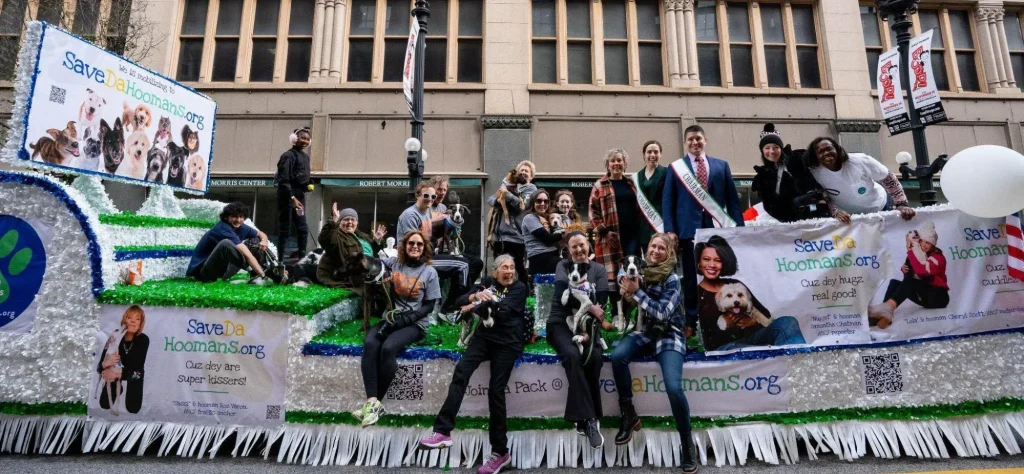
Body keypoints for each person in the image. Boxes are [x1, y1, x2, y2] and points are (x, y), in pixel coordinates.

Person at [417, 255, 528, 474]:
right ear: (495, 271)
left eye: (512, 267)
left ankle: (500, 453)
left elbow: (503, 311)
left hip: (508, 342)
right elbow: (460, 300)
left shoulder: (519, 288)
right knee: (461, 372)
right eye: (504, 267)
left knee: (496, 390)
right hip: (484, 338)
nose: (509, 272)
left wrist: (477, 305)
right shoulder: (487, 283)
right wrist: (476, 295)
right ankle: (443, 432)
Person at [612, 233, 697, 473]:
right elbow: (630, 304)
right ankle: (628, 414)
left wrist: (637, 292)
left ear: (669, 253)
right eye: (653, 246)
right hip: (647, 332)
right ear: (646, 250)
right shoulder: (640, 273)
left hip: (669, 334)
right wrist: (626, 293)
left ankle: (686, 442)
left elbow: (661, 313)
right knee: (618, 357)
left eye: (661, 248)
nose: (656, 251)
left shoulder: (672, 279)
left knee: (673, 387)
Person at [354, 230, 441, 427]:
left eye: (419, 244)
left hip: (414, 324)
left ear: (424, 248)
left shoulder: (429, 272)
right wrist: (373, 246)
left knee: (388, 348)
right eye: (411, 243)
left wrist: (407, 319)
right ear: (405, 245)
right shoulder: (393, 264)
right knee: (370, 343)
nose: (415, 247)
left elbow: (429, 305)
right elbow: (372, 264)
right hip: (390, 318)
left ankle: (375, 405)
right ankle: (372, 403)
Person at [663, 125, 744, 326]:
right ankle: (691, 321)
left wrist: (740, 229)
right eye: (690, 139)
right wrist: (670, 231)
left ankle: (716, 318)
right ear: (685, 143)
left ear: (705, 140)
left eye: (698, 138)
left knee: (718, 274)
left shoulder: (721, 165)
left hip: (717, 230)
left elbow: (732, 201)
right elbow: (668, 202)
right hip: (688, 230)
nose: (694, 142)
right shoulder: (676, 168)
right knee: (691, 277)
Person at [546, 232, 609, 449]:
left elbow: (602, 301)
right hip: (560, 323)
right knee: (573, 356)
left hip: (589, 325)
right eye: (574, 247)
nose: (578, 250)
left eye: (581, 245)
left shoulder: (598, 269)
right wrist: (590, 305)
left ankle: (583, 420)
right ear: (568, 250)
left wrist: (591, 322)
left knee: (595, 358)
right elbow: (562, 296)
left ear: (588, 245)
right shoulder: (563, 266)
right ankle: (592, 420)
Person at [694, 236, 805, 352]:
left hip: (753, 338)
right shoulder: (696, 293)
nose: (712, 264)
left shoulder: (735, 284)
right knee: (754, 351)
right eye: (706, 259)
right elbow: (699, 336)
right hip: (725, 347)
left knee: (788, 322)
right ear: (699, 263)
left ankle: (799, 363)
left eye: (718, 260)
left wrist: (754, 321)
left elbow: (765, 314)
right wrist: (725, 325)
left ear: (724, 263)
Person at [803, 137, 916, 224]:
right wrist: (835, 212)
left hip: (882, 207)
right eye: (820, 151)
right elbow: (823, 196)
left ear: (837, 149)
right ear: (815, 155)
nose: (826, 153)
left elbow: (888, 178)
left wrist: (901, 203)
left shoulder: (860, 160)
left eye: (829, 148)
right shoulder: (815, 173)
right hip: (849, 219)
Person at [398, 182, 471, 311]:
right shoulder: (410, 215)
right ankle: (452, 309)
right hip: (416, 260)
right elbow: (412, 248)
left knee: (475, 262)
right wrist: (431, 252)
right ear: (417, 195)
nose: (431, 199)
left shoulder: (426, 212)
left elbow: (438, 220)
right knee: (463, 265)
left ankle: (451, 304)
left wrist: (452, 219)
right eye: (426, 195)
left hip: (428, 254)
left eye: (433, 196)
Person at [590, 149, 642, 330]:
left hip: (631, 237)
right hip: (609, 241)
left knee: (631, 278)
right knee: (612, 279)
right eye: (613, 161)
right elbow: (592, 213)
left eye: (620, 160)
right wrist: (604, 232)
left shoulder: (632, 184)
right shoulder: (599, 185)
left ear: (625, 164)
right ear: (608, 165)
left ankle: (628, 316)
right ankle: (615, 315)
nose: (617, 163)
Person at [869, 222, 949, 328]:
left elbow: (921, 272)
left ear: (933, 245)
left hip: (939, 297)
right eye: (921, 241)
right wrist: (905, 270)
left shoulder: (938, 258)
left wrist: (910, 251)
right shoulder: (920, 254)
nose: (923, 245)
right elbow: (909, 278)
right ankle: (885, 315)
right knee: (894, 283)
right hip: (925, 296)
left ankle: (886, 308)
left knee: (912, 281)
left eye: (928, 243)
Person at [751, 124, 829, 222]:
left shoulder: (798, 159)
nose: (772, 151)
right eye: (767, 148)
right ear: (762, 151)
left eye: (776, 147)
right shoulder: (763, 177)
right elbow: (772, 208)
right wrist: (797, 202)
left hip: (818, 214)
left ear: (781, 148)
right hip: (791, 223)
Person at [429, 175, 484, 300]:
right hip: (431, 252)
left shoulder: (444, 208)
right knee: (462, 264)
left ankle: (460, 298)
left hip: (446, 250)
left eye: (444, 190)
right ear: (432, 189)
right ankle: (456, 304)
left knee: (477, 263)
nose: (442, 193)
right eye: (439, 189)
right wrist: (437, 220)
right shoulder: (426, 207)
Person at [186, 202, 270, 283]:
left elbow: (260, 233)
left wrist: (264, 241)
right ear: (226, 217)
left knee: (256, 240)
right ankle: (262, 275)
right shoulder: (222, 229)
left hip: (223, 272)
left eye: (241, 217)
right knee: (226, 244)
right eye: (234, 217)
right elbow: (248, 255)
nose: (238, 220)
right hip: (204, 274)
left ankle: (259, 274)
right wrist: (263, 276)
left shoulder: (241, 226)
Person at [486, 160, 538, 284]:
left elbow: (523, 206)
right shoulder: (507, 185)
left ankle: (522, 298)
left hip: (516, 237)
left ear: (531, 176)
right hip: (500, 237)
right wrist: (498, 201)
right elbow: (490, 199)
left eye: (527, 171)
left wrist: (506, 194)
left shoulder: (531, 188)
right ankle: (500, 297)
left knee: (518, 269)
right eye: (522, 170)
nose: (524, 172)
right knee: (499, 269)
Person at [316, 204, 387, 288]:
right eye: (346, 219)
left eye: (353, 219)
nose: (350, 222)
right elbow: (325, 240)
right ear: (340, 222)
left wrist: (376, 242)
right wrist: (333, 223)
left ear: (357, 223)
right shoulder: (337, 236)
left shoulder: (363, 236)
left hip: (367, 276)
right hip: (346, 280)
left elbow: (370, 255)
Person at [98, 305, 149, 414]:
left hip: (134, 373)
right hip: (115, 369)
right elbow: (100, 366)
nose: (133, 321)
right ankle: (117, 387)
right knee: (104, 404)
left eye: (137, 319)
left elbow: (138, 370)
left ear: (140, 324)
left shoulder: (143, 339)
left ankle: (123, 384)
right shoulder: (115, 335)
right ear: (124, 320)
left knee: (133, 408)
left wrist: (117, 375)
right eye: (130, 317)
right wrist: (105, 363)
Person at [274, 127, 312, 260]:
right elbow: (283, 179)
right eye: (302, 138)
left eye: (307, 139)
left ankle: (302, 260)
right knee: (285, 229)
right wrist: (292, 198)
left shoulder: (305, 157)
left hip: (300, 195)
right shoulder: (287, 156)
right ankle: (280, 261)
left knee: (303, 229)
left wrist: (308, 184)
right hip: (287, 196)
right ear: (294, 139)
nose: (305, 141)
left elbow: (303, 175)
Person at [635, 140, 668, 251]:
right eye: (649, 152)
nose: (652, 155)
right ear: (644, 155)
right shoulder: (637, 176)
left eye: (656, 152)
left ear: (660, 154)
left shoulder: (667, 173)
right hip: (644, 228)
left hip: (662, 225)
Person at [522, 189, 563, 277]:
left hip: (550, 257)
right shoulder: (529, 217)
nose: (543, 204)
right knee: (570, 266)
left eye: (546, 201)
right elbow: (547, 239)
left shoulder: (544, 218)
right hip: (540, 258)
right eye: (539, 201)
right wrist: (564, 234)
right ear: (532, 202)